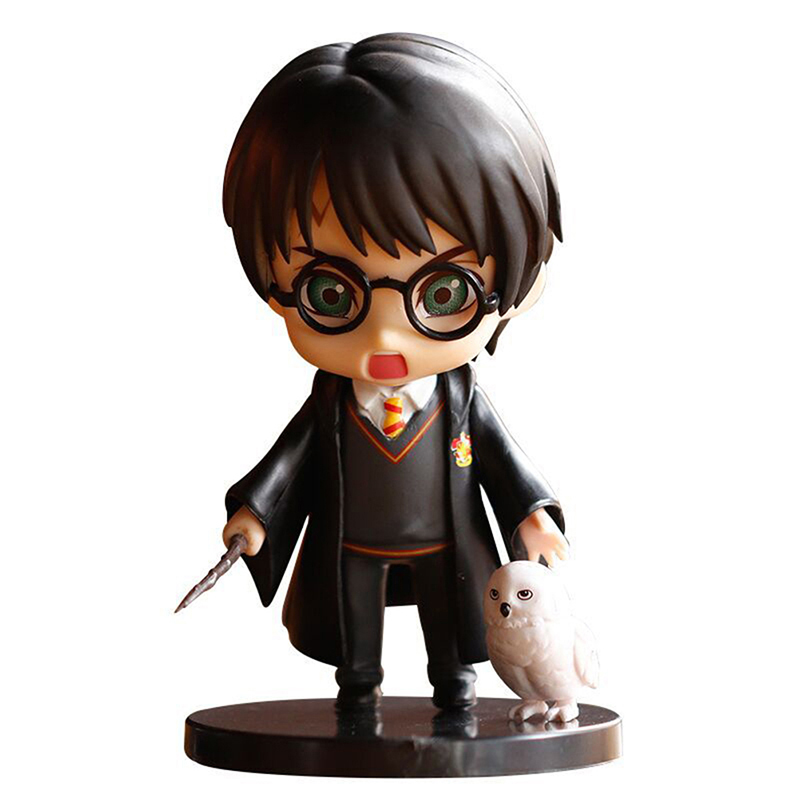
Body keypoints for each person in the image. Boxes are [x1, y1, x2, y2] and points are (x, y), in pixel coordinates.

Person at [220, 32, 569, 710]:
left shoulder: (461, 401)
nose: (385, 336)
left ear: (517, 287)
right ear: (273, 283)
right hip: (351, 541)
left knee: (451, 621)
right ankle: (358, 686)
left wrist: (532, 515)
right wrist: (254, 514)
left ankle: (454, 685)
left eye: (443, 294)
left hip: (445, 542)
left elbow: (504, 463)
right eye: (331, 294)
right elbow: (287, 462)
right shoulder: (329, 403)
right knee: (354, 624)